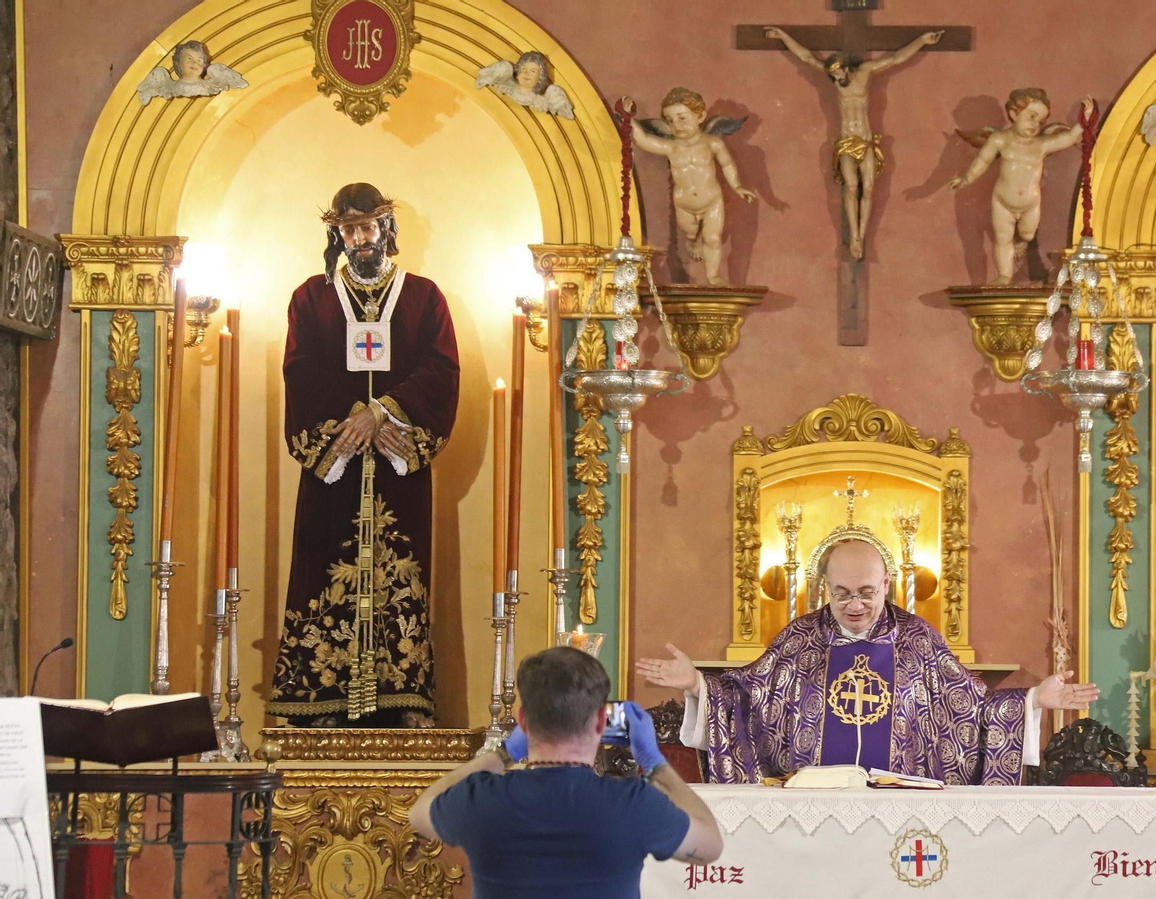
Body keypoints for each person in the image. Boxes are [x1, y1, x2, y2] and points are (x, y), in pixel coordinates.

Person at [637, 538, 1099, 784]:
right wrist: (698, 684)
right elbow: (747, 699)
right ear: (825, 589)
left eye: (866, 593)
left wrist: (1037, 697)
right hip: (811, 817)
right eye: (841, 594)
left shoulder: (919, 640)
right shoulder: (798, 641)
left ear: (886, 585)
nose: (854, 605)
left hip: (901, 814)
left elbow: (972, 710)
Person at [266, 183, 460, 728]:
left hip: (398, 463)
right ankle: (318, 703)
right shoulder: (311, 298)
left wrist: (384, 412)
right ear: (337, 234)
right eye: (348, 229)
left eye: (368, 227)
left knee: (403, 573)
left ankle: (403, 703)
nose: (359, 239)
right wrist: (355, 418)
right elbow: (300, 370)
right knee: (324, 569)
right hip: (336, 466)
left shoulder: (424, 297)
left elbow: (442, 369)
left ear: (386, 228)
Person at [410, 648, 722, 899]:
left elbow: (420, 814)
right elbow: (710, 845)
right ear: (601, 722)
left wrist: (503, 754)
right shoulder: (633, 802)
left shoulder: (483, 797)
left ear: (524, 721)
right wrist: (653, 762)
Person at [763, 27, 943, 260]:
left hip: (866, 141)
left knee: (868, 188)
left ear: (846, 68)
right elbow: (807, 57)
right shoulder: (836, 82)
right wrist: (783, 36)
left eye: (838, 74)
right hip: (847, 142)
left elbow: (897, 57)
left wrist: (921, 41)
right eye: (833, 76)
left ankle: (861, 234)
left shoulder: (865, 73)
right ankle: (854, 237)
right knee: (850, 187)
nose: (837, 79)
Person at [948, 89, 1093, 284]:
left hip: (1030, 203)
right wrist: (966, 179)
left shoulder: (1041, 144)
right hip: (1002, 202)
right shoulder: (1000, 140)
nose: (1035, 124)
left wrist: (1085, 118)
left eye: (1040, 121)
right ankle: (1004, 275)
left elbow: (1068, 138)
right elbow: (982, 161)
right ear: (1014, 114)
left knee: (1027, 233)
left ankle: (1021, 241)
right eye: (1031, 116)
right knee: (1002, 239)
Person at [632, 87, 758, 286]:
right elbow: (644, 140)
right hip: (684, 203)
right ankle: (693, 239)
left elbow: (726, 164)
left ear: (700, 116)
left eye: (682, 118)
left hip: (712, 201)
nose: (676, 125)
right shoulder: (672, 147)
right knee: (690, 231)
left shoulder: (712, 142)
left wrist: (737, 186)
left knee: (713, 239)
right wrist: (627, 118)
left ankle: (714, 276)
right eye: (670, 120)